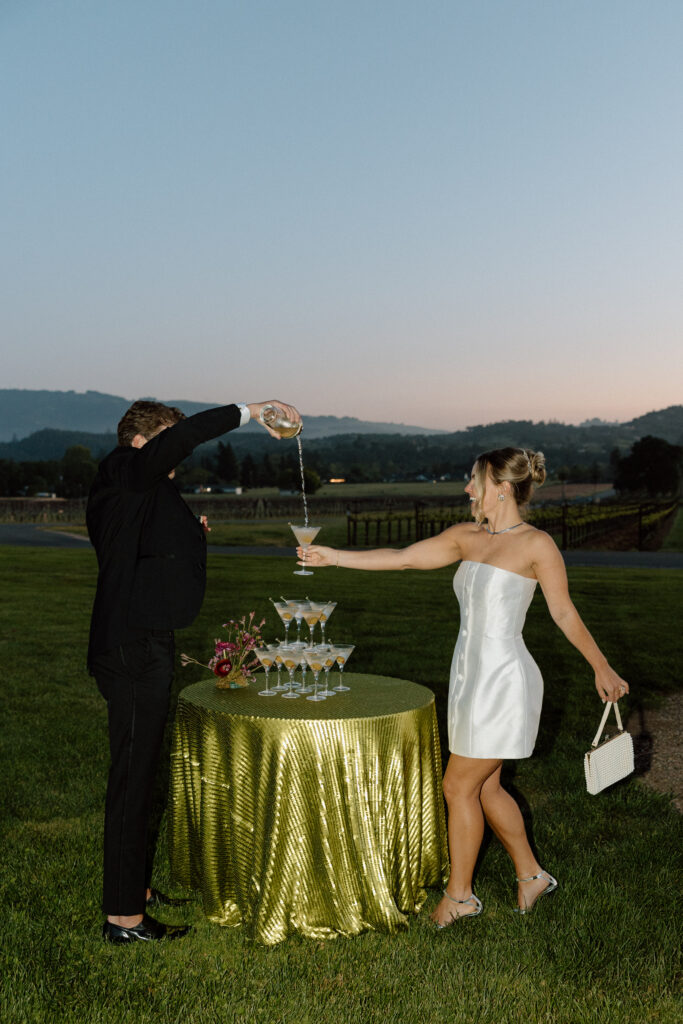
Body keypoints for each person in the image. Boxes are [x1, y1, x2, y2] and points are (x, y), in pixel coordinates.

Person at [298, 447, 629, 927]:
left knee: (458, 785)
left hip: (504, 681)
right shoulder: (465, 537)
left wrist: (602, 667)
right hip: (467, 678)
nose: (467, 489)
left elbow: (562, 612)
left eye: (474, 480)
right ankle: (532, 875)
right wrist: (333, 558)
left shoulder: (536, 545)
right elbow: (404, 558)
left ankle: (460, 897)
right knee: (488, 788)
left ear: (502, 487)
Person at [87, 398, 301, 943]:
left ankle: (131, 890)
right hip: (133, 647)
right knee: (133, 782)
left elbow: (150, 546)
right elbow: (174, 449)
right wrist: (250, 410)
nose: (176, 452)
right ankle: (123, 920)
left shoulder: (137, 485)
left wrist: (189, 535)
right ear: (145, 440)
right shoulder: (124, 467)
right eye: (168, 441)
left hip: (143, 640)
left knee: (140, 775)